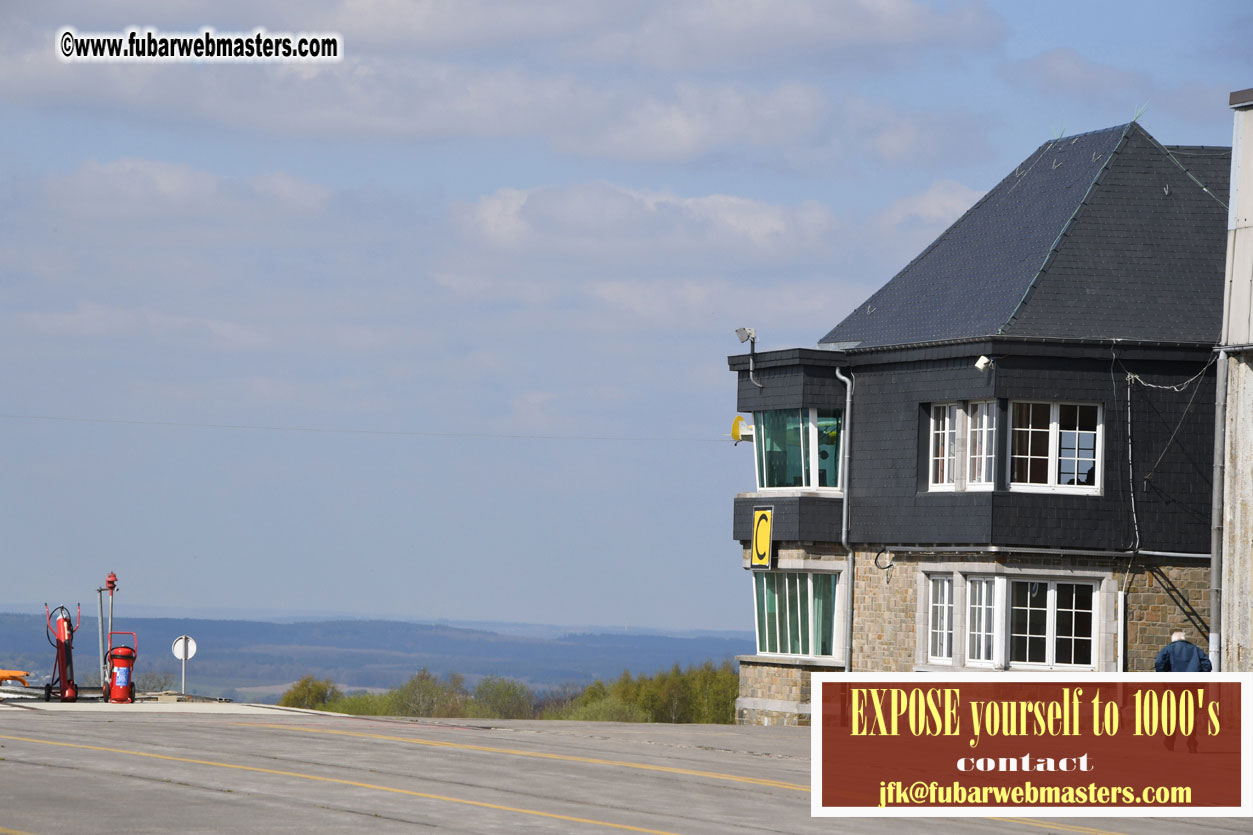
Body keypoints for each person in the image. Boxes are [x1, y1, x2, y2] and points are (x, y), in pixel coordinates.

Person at [1154, 630, 1211, 753]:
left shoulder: (1169, 649)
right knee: (1191, 717)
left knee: (1173, 716)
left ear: (1173, 639)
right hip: (1193, 688)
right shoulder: (1195, 649)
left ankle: (1170, 742)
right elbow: (1207, 665)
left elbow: (1159, 663)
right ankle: (1192, 744)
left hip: (1175, 688)